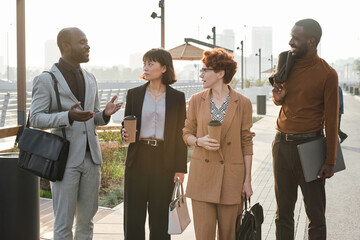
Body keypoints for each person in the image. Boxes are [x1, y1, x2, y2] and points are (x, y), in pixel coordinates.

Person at [30, 27, 122, 240]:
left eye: (87, 41)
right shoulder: (46, 80)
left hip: (92, 159)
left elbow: (92, 117)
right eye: (82, 42)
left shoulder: (90, 78)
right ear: (65, 46)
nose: (87, 46)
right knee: (63, 224)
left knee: (87, 222)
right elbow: (35, 118)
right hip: (64, 160)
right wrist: (67, 117)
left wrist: (104, 115)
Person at [270, 19, 339, 239]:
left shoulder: (327, 73)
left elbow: (331, 120)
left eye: (296, 38)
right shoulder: (285, 63)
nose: (290, 42)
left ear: (312, 41)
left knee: (316, 217)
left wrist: (330, 160)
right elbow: (283, 101)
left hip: (311, 147)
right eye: (291, 36)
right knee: (283, 214)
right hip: (281, 145)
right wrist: (278, 98)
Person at [183, 48, 254, 240]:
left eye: (205, 70)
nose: (201, 74)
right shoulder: (196, 100)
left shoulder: (244, 103)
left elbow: (247, 142)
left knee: (229, 236)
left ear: (220, 73)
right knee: (203, 236)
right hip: (202, 178)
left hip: (232, 179)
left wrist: (247, 181)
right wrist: (199, 141)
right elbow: (186, 133)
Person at [121, 48, 187, 240]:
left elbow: (180, 135)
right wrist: (124, 133)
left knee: (160, 219)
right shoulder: (134, 94)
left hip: (164, 161)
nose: (146, 68)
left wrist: (180, 168)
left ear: (164, 68)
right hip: (138, 158)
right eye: (145, 64)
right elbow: (127, 124)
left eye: (151, 64)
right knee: (133, 216)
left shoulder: (177, 97)